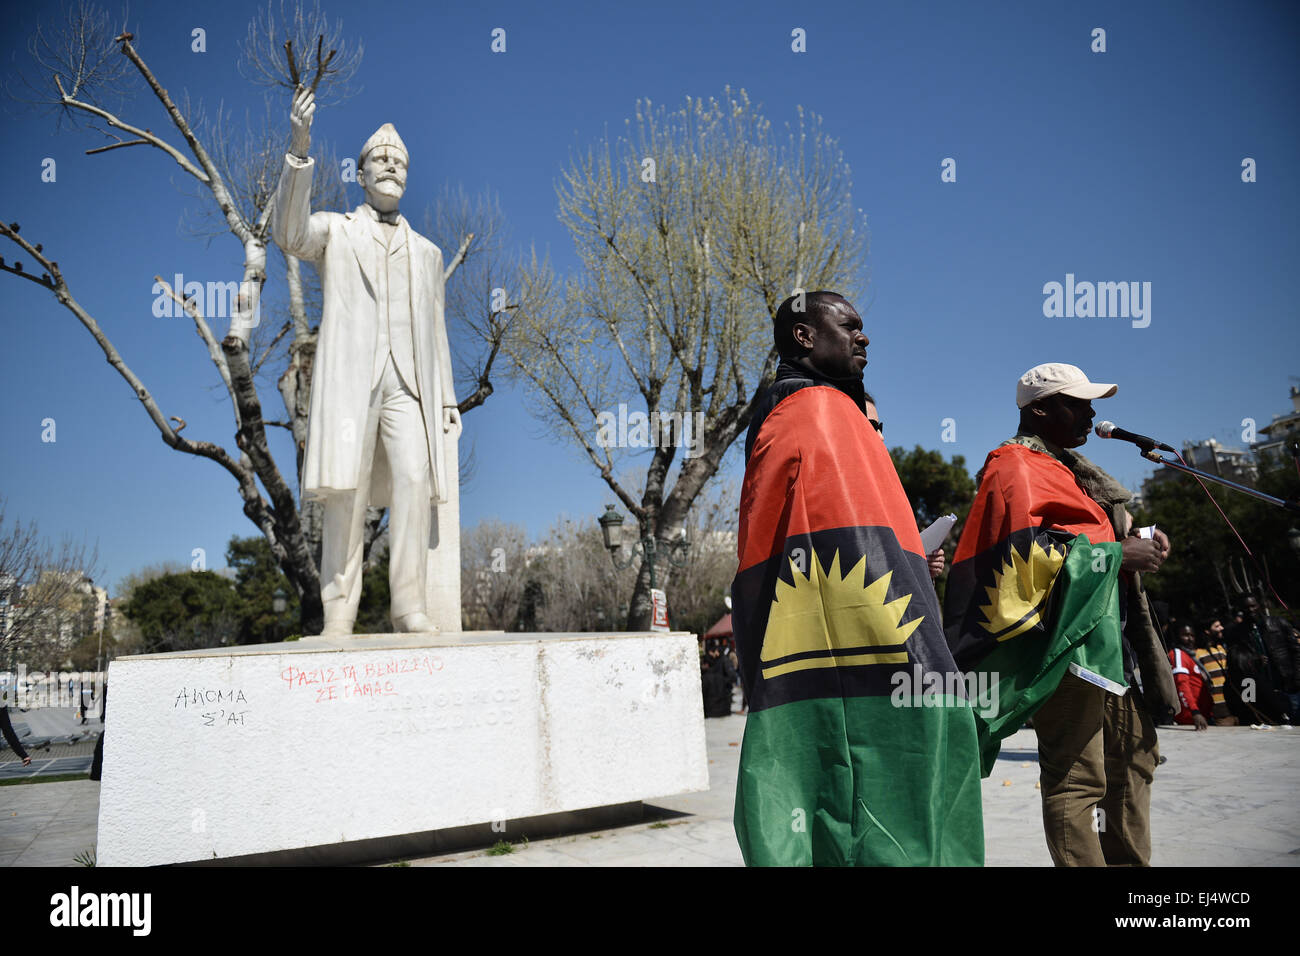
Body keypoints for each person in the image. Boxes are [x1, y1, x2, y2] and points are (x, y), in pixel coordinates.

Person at [731, 291, 982, 866]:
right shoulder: (814, 411)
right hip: (862, 661)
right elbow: (824, 547)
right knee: (880, 793)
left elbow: (843, 537)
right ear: (804, 336)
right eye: (851, 326)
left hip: (867, 640)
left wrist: (912, 565)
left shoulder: (827, 412)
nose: (864, 337)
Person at [944, 362, 1179, 867]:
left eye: (1092, 404)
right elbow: (1020, 561)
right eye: (1078, 403)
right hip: (1063, 652)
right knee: (1078, 780)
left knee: (1135, 756)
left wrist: (1134, 542)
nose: (1091, 414)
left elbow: (1079, 540)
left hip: (1105, 647)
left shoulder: (1068, 469)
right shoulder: (1011, 465)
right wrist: (1118, 556)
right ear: (1039, 408)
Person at [273, 87, 462, 637]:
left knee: (413, 479)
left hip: (411, 385)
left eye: (400, 162)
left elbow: (437, 330)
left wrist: (447, 397)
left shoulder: (427, 253)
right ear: (359, 174)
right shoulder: (337, 230)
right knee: (347, 492)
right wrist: (299, 147)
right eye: (380, 159)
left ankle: (409, 606)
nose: (391, 167)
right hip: (354, 382)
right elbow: (288, 233)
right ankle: (339, 611)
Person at [1227, 596, 1299, 721]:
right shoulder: (1236, 633)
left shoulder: (1279, 623)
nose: (1250, 610)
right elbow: (1236, 661)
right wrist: (1252, 660)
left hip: (1288, 685)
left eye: (1253, 606)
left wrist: (1297, 678)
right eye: (1246, 607)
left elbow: (1296, 652)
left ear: (1259, 605)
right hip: (1260, 690)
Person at [1195, 618, 1237, 725]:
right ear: (1207, 631)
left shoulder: (1222, 649)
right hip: (1218, 713)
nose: (1221, 628)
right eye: (1217, 626)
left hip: (1234, 708)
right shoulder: (1199, 654)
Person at [1168, 625, 1211, 729]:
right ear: (1177, 637)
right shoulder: (1178, 654)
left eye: (1192, 635)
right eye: (1185, 635)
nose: (1190, 639)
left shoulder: (1190, 656)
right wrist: (1194, 711)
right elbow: (1181, 684)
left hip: (1203, 717)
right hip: (1190, 719)